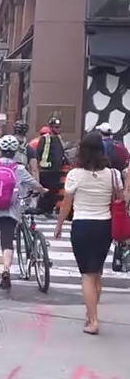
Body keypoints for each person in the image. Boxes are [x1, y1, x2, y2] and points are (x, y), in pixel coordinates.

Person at [55, 132, 130, 335]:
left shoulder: (75, 175)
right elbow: (121, 198)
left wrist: (59, 225)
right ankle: (91, 314)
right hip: (104, 226)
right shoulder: (112, 174)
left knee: (87, 274)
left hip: (82, 226)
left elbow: (66, 205)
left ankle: (93, 320)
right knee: (96, 272)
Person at [0, 135, 47, 288]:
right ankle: (6, 270)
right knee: (7, 241)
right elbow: (34, 184)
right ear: (15, 152)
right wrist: (43, 190)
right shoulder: (19, 168)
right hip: (10, 209)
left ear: (0, 150)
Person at [35, 118, 67, 216]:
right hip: (46, 170)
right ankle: (41, 209)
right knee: (45, 190)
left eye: (59, 127)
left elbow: (62, 152)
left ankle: (49, 209)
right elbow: (38, 153)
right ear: (51, 127)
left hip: (56, 170)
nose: (58, 129)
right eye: (56, 127)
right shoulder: (45, 138)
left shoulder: (59, 139)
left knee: (54, 191)